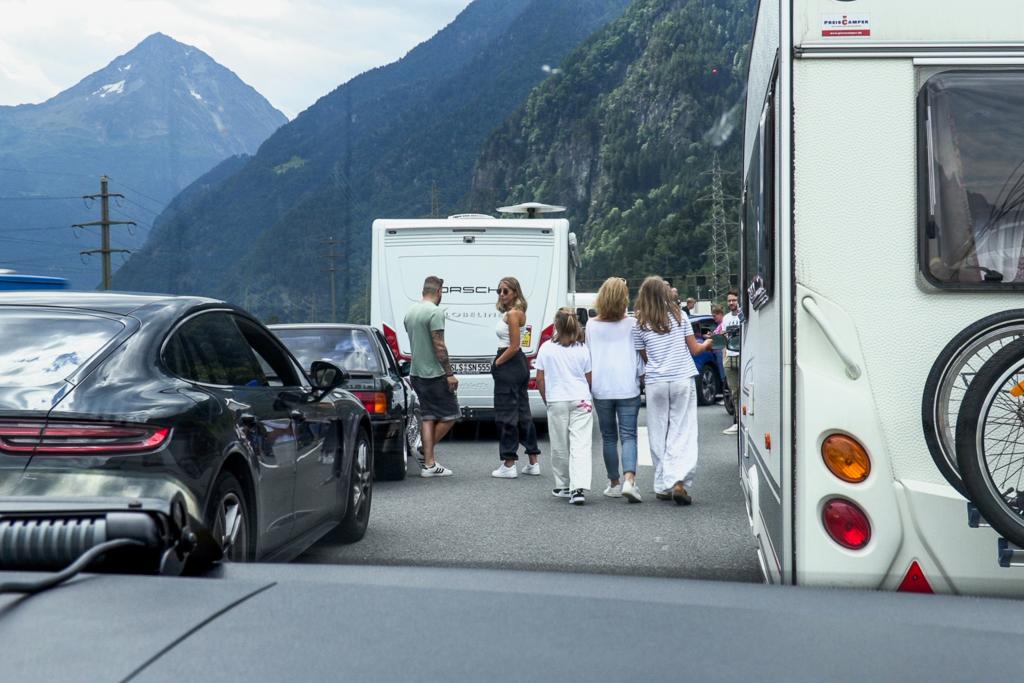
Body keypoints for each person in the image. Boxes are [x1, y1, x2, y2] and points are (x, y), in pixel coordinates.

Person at [633, 276, 713, 505]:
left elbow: (645, 357)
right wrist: (708, 344)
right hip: (681, 378)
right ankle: (679, 481)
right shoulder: (680, 317)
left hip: (656, 382)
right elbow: (695, 349)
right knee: (682, 430)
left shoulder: (639, 323)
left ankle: (662, 484)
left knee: (658, 432)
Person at [586, 277, 643, 503]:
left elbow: (588, 357)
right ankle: (630, 479)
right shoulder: (632, 323)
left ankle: (614, 483)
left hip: (601, 387)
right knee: (629, 436)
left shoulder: (591, 325)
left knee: (608, 437)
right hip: (628, 385)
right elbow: (639, 354)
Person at [535, 307, 593, 505]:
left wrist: (547, 399)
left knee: (559, 444)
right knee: (581, 444)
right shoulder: (582, 348)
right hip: (581, 398)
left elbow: (540, 379)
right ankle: (579, 488)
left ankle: (563, 485)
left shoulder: (546, 348)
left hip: (557, 399)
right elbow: (589, 377)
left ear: (556, 325)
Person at [403, 275, 456, 477]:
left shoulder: (410, 312)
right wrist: (449, 374)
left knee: (428, 416)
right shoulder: (435, 312)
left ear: (423, 291)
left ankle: (429, 464)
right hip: (434, 374)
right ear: (439, 291)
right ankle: (425, 452)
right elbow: (439, 346)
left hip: (416, 373)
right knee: (451, 415)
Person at [491, 276, 541, 478]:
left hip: (509, 363)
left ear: (515, 293)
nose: (502, 294)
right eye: (499, 291)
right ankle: (533, 461)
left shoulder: (512, 314)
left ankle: (509, 463)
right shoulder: (517, 313)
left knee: (506, 414)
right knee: (522, 412)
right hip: (518, 365)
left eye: (506, 291)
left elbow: (513, 346)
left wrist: (497, 363)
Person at [722, 290, 742, 436]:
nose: (731, 303)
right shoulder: (726, 318)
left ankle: (744, 420)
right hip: (730, 356)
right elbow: (725, 338)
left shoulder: (744, 315)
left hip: (743, 355)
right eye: (729, 300)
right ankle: (737, 421)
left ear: (738, 300)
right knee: (734, 392)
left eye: (734, 300)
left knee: (745, 391)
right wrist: (724, 356)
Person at [711, 304, 727, 388]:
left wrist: (712, 336)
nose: (714, 318)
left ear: (720, 314)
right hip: (718, 352)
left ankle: (725, 387)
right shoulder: (719, 325)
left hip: (721, 352)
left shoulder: (723, 324)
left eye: (714, 316)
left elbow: (721, 337)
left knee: (724, 373)